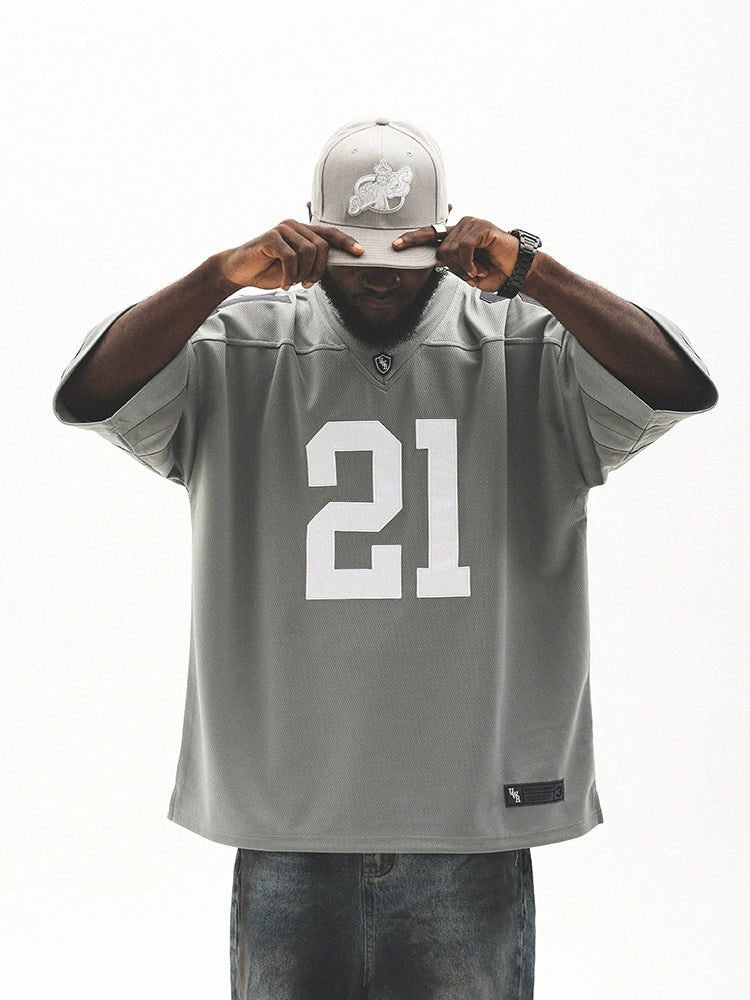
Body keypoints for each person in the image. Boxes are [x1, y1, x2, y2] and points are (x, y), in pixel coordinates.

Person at [54, 117, 717, 999]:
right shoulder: (238, 345)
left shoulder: (525, 343)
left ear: (442, 237)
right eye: (354, 251)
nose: (376, 274)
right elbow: (91, 394)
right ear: (311, 235)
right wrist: (218, 276)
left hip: (468, 811)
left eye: (402, 255)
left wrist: (536, 271)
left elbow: (679, 385)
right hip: (290, 813)